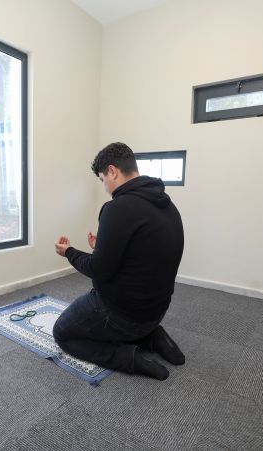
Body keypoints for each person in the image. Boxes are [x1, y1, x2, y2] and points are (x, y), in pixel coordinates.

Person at [53, 142, 185, 381]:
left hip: (123, 316)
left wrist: (69, 252)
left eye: (102, 179)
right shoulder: (166, 204)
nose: (104, 187)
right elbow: (143, 257)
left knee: (62, 332)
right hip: (156, 312)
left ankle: (129, 358)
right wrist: (101, 247)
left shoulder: (117, 208)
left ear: (112, 171)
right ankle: (152, 337)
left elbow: (98, 269)